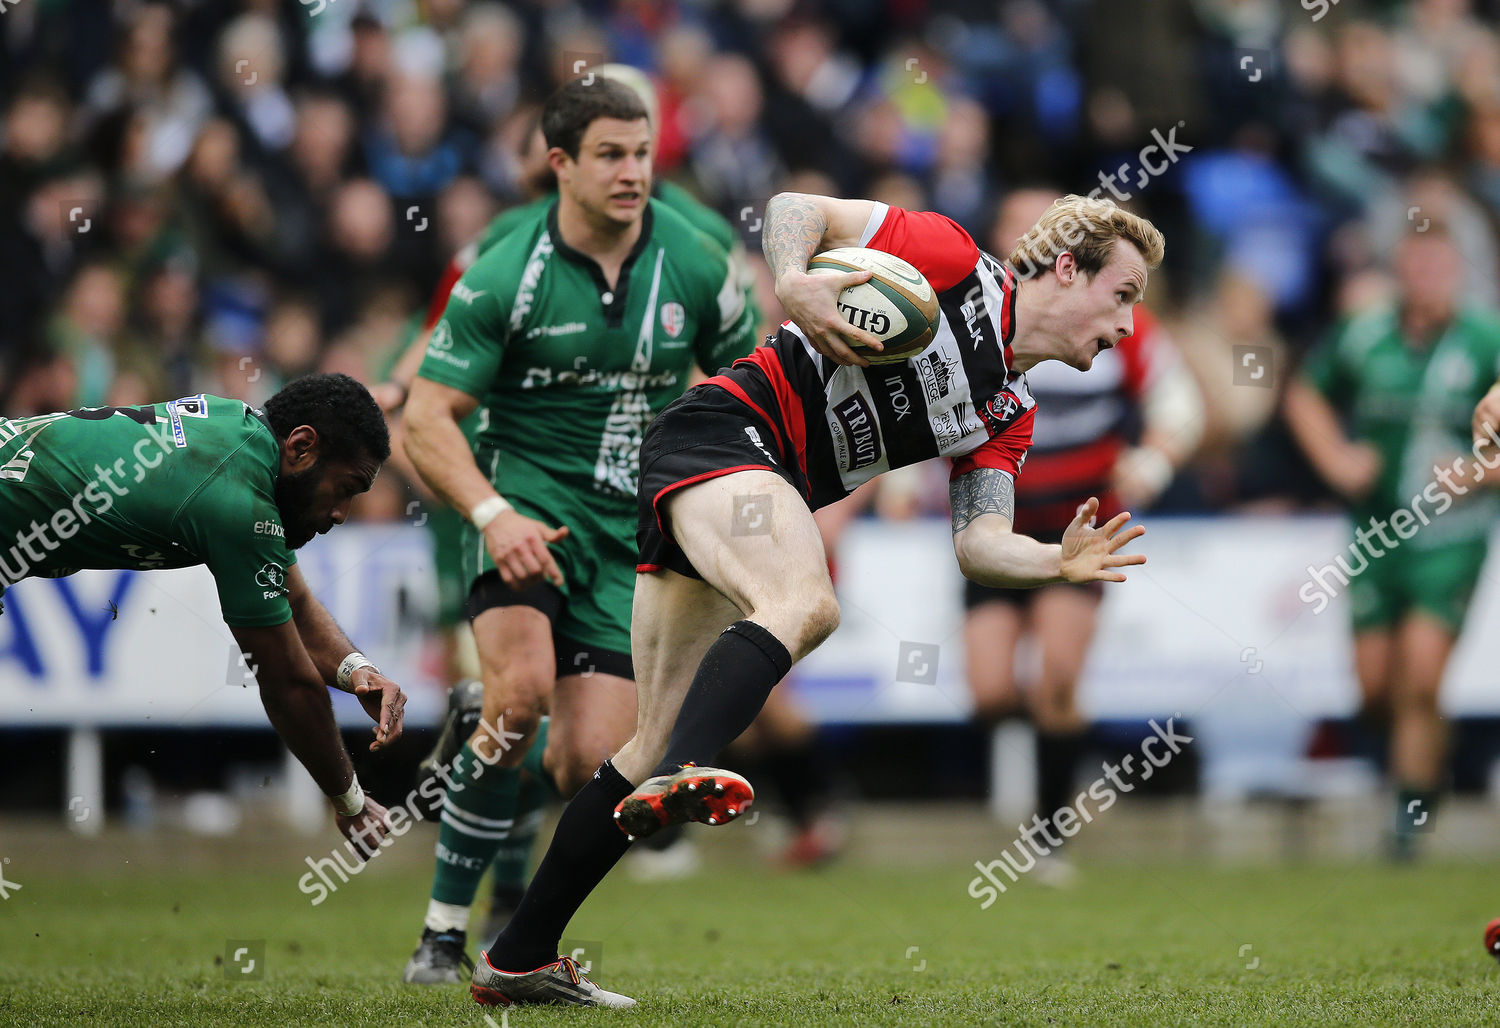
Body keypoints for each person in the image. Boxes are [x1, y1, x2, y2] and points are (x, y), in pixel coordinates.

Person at [467, 190, 1163, 1007]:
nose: (1124, 326)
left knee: (643, 745)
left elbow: (978, 543)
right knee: (806, 602)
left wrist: (1054, 563)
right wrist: (793, 280)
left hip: (746, 479)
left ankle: (517, 958)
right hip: (722, 435)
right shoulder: (953, 262)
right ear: (1070, 268)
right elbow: (797, 206)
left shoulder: (1006, 413)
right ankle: (696, 766)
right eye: (1121, 295)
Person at [398, 75, 757, 983]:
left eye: (642, 153)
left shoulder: (701, 262)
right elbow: (427, 416)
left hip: (632, 536)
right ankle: (442, 937)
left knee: (587, 767)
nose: (633, 172)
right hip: (525, 513)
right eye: (610, 154)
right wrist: (492, 512)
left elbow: (755, 393)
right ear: (559, 163)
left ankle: (488, 788)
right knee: (517, 698)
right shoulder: (503, 270)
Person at [0, 373, 406, 853]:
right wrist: (351, 802)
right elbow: (287, 683)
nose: (341, 513)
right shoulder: (237, 503)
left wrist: (358, 670)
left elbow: (294, 603)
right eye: (345, 487)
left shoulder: (239, 432)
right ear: (301, 446)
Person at [959, 188, 1203, 884]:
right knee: (988, 689)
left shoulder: (1122, 322)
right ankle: (1031, 779)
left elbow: (1180, 402)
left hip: (1077, 520)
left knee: (1058, 681)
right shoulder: (977, 319)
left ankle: (1047, 837)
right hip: (991, 519)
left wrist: (1151, 460)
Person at [1286, 222, 1500, 860]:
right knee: (1373, 687)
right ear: (1400, 274)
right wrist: (1336, 458)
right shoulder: (1366, 333)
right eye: (1416, 269)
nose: (1427, 281)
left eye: (1438, 268)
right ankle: (1431, 749)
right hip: (1377, 532)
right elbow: (1303, 394)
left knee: (1420, 674)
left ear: (1457, 273)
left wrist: (1480, 473)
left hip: (1451, 536)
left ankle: (1409, 810)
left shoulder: (1484, 342)